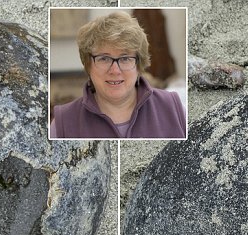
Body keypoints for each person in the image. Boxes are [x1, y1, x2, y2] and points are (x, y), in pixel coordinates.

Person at [50, 11, 186, 139]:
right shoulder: (62, 123)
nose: (115, 70)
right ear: (88, 64)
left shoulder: (174, 108)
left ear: (139, 65)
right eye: (104, 58)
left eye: (125, 58)